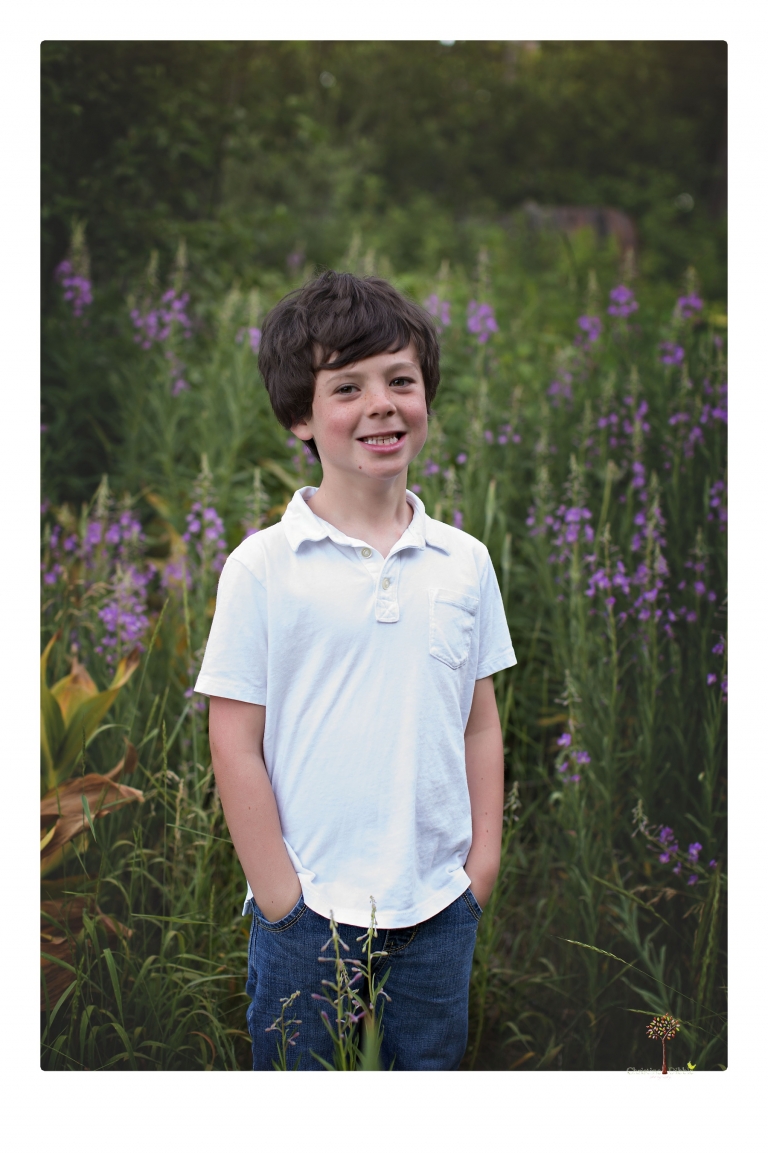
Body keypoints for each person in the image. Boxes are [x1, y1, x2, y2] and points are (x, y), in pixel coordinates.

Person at [194, 271, 516, 1070]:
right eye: (348, 387)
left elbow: (478, 719)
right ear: (301, 416)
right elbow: (234, 742)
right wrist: (280, 897)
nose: (382, 404)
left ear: (426, 399)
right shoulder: (264, 566)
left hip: (439, 905)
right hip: (308, 909)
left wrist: (481, 868)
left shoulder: (464, 563)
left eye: (400, 381)